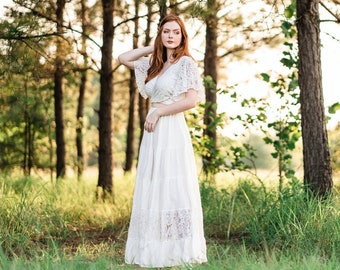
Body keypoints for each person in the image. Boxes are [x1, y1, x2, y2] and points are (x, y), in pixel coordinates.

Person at [118, 14, 207, 268]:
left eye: (176, 32)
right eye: (166, 31)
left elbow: (191, 100)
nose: (171, 36)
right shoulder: (152, 65)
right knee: (153, 183)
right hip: (153, 131)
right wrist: (153, 45)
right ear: (161, 35)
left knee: (173, 186)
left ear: (182, 36)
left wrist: (158, 112)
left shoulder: (186, 64)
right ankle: (153, 247)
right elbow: (123, 58)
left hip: (170, 127)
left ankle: (177, 249)